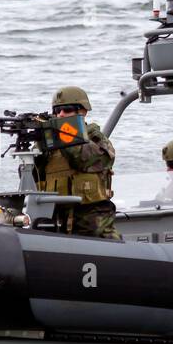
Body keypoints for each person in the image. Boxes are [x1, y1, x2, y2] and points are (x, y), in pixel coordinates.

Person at [37, 85, 118, 239]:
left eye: (67, 109)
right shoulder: (49, 143)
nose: (60, 114)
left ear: (83, 112)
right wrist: (39, 143)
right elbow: (32, 176)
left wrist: (63, 135)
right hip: (54, 215)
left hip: (90, 216)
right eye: (57, 111)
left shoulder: (96, 138)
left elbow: (88, 160)